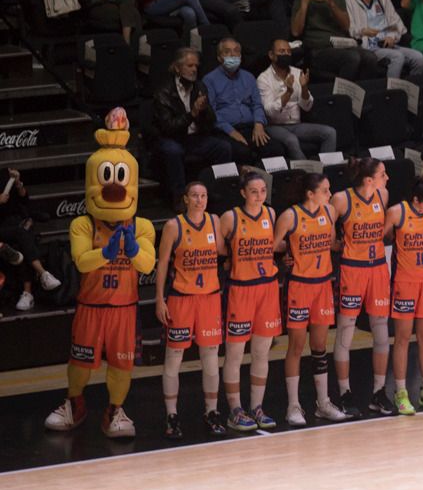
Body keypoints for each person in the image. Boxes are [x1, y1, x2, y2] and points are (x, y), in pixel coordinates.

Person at [44, 109, 155, 438]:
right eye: (107, 176)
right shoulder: (83, 224)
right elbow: (81, 262)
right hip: (91, 306)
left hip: (123, 308)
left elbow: (148, 265)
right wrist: (105, 253)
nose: (114, 185)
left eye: (120, 176)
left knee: (122, 364)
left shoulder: (142, 226)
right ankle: (74, 403)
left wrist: (133, 252)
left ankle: (115, 410)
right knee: (80, 363)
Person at [273, 173, 346, 426]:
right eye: (325, 190)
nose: (329, 193)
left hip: (323, 285)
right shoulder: (290, 216)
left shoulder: (330, 212)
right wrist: (286, 257)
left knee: (319, 346)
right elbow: (273, 245)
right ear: (310, 194)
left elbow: (331, 244)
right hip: (299, 287)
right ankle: (293, 406)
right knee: (295, 346)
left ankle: (323, 403)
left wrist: (349, 241)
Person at [155, 182, 225, 439]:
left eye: (203, 195)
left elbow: (223, 252)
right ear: (185, 199)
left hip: (209, 298)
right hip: (181, 299)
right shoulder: (174, 226)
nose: (199, 200)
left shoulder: (214, 221)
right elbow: (162, 264)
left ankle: (212, 411)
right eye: (194, 196)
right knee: (174, 357)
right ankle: (172, 415)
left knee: (210, 357)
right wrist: (159, 299)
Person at [218, 172, 282, 431]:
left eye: (263, 191)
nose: (259, 196)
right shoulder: (230, 217)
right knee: (234, 354)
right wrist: (231, 258)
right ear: (243, 193)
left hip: (267, 289)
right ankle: (235, 410)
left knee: (261, 352)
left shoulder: (271, 214)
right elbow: (219, 248)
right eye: (254, 191)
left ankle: (256, 407)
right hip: (240, 290)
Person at [330, 158, 394, 417]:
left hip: (378, 268)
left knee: (381, 333)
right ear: (369, 179)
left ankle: (379, 392)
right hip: (352, 270)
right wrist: (340, 245)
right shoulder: (341, 200)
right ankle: (344, 393)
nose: (387, 177)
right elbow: (324, 233)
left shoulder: (383, 195)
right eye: (382, 174)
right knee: (345, 332)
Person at [385, 182, 423, 414]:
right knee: (402, 338)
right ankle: (401, 392)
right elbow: (378, 237)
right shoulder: (397, 212)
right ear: (415, 201)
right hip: (404, 281)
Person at [151, 47, 232, 209]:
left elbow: (210, 122)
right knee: (173, 151)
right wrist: (192, 113)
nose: (194, 69)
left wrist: (204, 112)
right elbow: (168, 127)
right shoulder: (163, 93)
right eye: (189, 66)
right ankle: (180, 198)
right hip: (172, 138)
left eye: (196, 66)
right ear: (177, 68)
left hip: (196, 138)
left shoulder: (199, 87)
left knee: (224, 147)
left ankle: (217, 192)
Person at [202, 37, 287, 166]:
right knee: (242, 152)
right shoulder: (209, 80)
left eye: (236, 51)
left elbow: (257, 104)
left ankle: (267, 183)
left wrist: (258, 124)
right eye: (227, 52)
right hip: (225, 131)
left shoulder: (249, 77)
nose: (232, 55)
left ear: (241, 56)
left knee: (275, 149)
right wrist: (231, 132)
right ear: (219, 58)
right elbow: (211, 113)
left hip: (251, 128)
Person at [292, 0, 381, 82]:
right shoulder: (300, 0)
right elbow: (296, 32)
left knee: (370, 57)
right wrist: (305, 2)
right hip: (318, 49)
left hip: (341, 45)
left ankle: (365, 94)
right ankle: (343, 96)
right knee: (352, 58)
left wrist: (330, 2)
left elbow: (346, 26)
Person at [256, 38, 337, 160]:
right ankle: (308, 175)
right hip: (274, 126)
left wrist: (304, 88)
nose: (286, 55)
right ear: (271, 55)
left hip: (296, 124)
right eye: (282, 51)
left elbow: (307, 106)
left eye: (289, 52)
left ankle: (326, 171)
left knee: (330, 133)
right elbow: (269, 111)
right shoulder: (263, 79)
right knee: (291, 140)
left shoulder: (297, 72)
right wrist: (288, 93)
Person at [345, 0, 423, 79]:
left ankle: (411, 90)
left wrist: (392, 37)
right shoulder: (351, 1)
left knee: (419, 58)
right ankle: (391, 92)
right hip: (368, 48)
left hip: (387, 45)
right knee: (398, 57)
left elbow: (396, 23)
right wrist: (363, 31)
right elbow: (349, 29)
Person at [0, 168, 62, 311]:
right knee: (21, 233)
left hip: (14, 224)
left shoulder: (4, 173)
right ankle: (42, 274)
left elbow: (24, 199)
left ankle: (29, 292)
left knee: (23, 238)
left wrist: (18, 183)